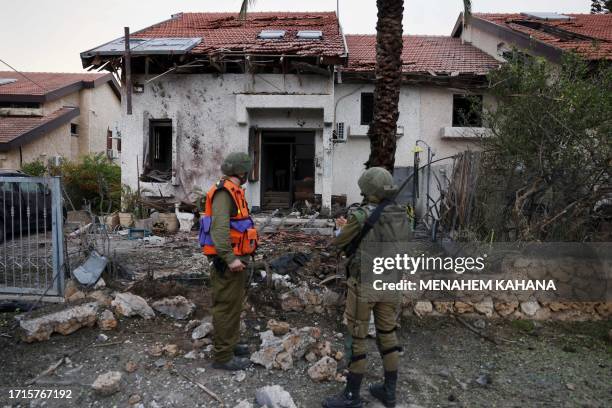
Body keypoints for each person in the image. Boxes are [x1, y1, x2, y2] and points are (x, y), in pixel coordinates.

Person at [322, 167, 412, 408]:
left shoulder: (362, 216)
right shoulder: (403, 215)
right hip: (391, 284)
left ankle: (351, 396)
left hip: (365, 285)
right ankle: (389, 392)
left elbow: (338, 243)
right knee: (388, 335)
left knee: (358, 337)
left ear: (369, 190)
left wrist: (341, 227)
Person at [199, 152, 259, 371]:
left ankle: (230, 344)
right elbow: (220, 228)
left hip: (236, 258)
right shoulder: (224, 193)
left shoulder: (235, 191)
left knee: (234, 306)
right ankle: (223, 356)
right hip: (227, 261)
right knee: (225, 307)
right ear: (242, 172)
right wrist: (230, 258)